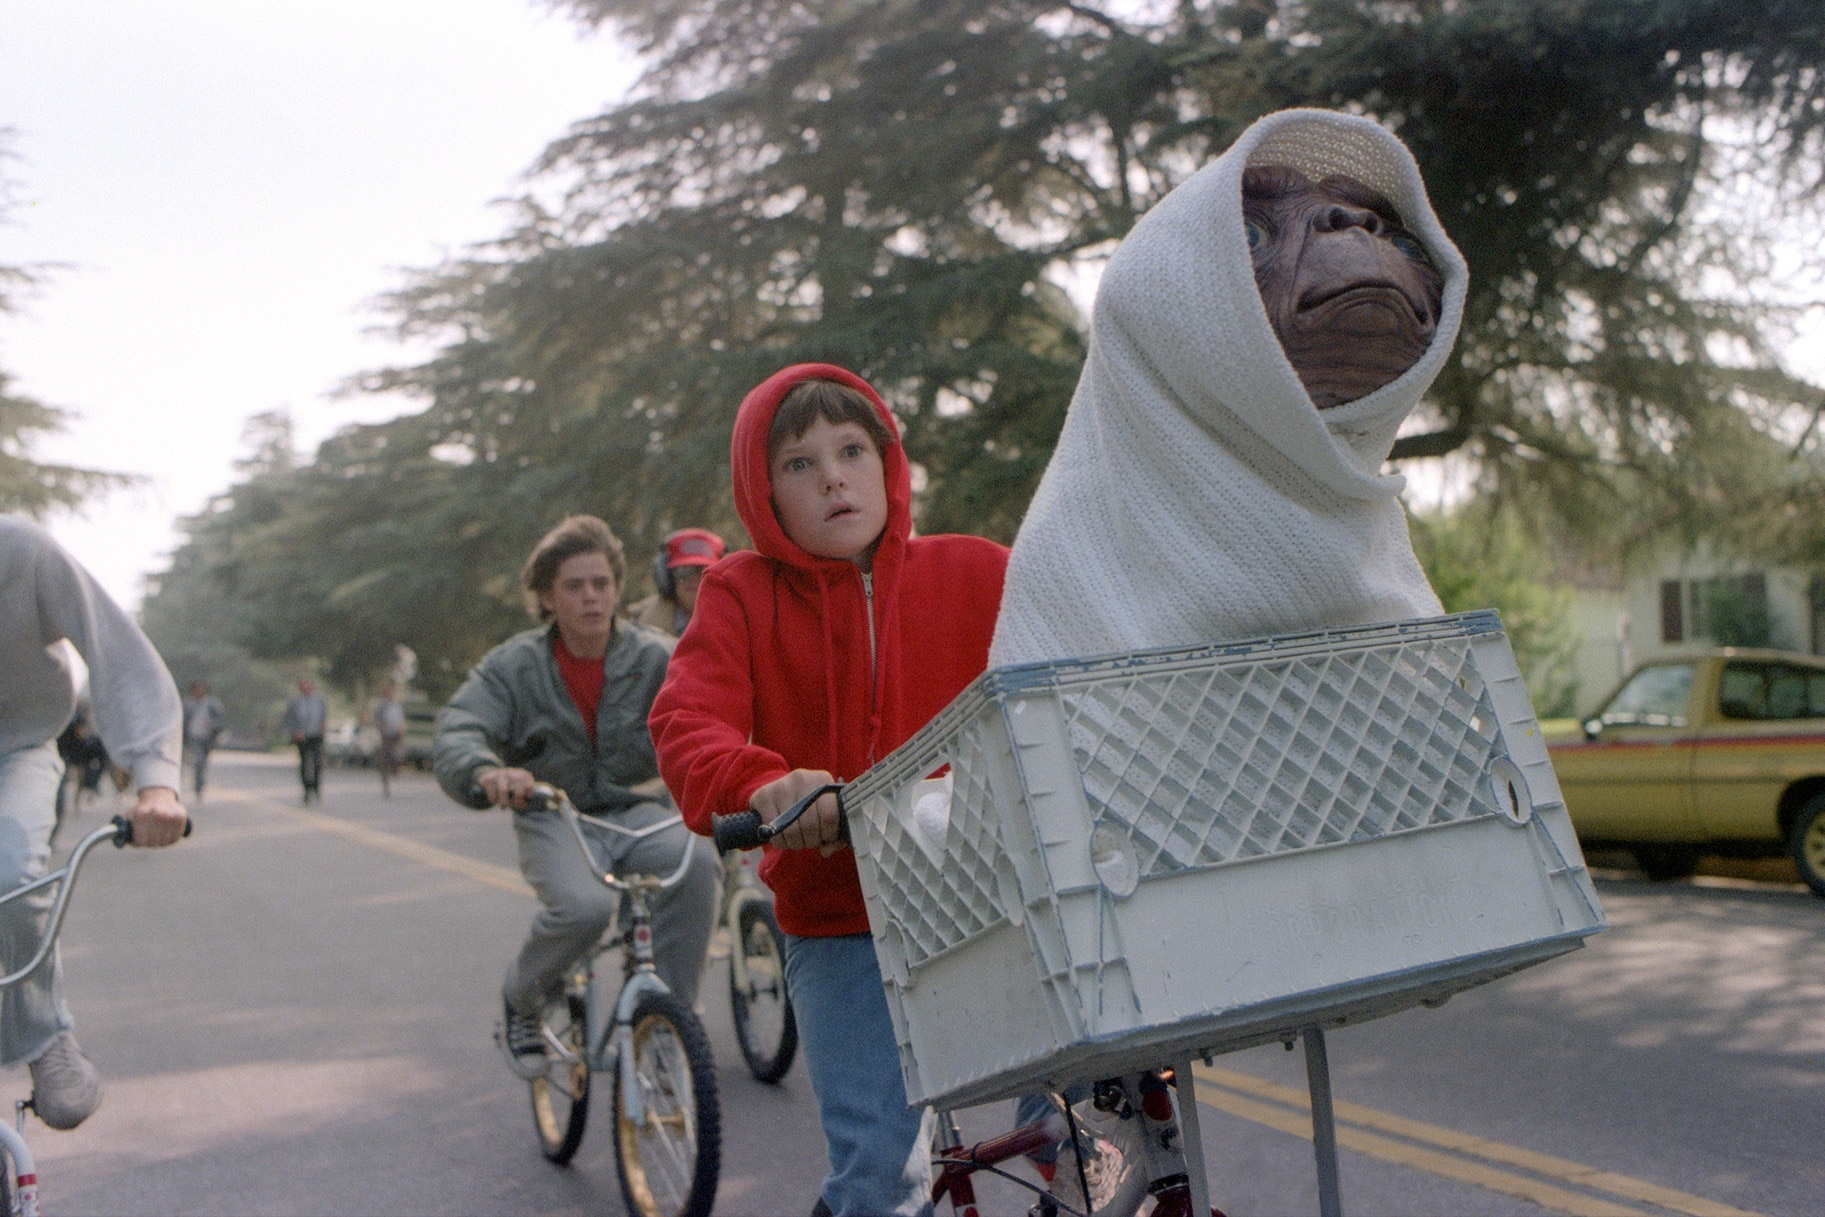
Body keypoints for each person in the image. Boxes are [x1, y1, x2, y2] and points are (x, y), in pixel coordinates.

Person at [649, 366, 1008, 1217]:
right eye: (799, 463)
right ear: (761, 489)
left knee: (1088, 1121)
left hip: (995, 900)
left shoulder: (978, 571)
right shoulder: (738, 591)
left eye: (851, 450)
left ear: (888, 463)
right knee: (884, 1169)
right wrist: (764, 784)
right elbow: (686, 721)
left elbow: (1070, 669)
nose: (834, 477)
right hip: (840, 914)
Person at [434, 515, 720, 1067]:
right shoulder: (513, 666)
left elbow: (712, 715)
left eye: (601, 584)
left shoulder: (657, 657)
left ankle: (668, 1026)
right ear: (545, 597)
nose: (591, 597)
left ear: (617, 587)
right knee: (585, 907)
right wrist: (486, 771)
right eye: (573, 586)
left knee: (696, 867)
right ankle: (523, 997)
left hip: (636, 810)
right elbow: (459, 728)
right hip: (554, 813)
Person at [0, 515, 189, 1130]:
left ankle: (42, 1035)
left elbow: (119, 655)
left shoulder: (22, 550)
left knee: (6, 871)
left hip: (15, 749)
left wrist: (156, 784)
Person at [627, 528, 726, 637]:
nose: (694, 579)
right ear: (666, 576)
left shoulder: (738, 619)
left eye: (703, 571)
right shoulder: (639, 622)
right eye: (684, 571)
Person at [280, 678, 327, 803]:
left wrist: (323, 726)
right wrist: (295, 731)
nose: (306, 689)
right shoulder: (295, 703)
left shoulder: (319, 701)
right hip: (302, 736)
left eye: (308, 686)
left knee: (318, 762)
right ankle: (306, 789)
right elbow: (288, 720)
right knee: (305, 763)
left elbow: (323, 716)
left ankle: (316, 786)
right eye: (303, 687)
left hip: (316, 735)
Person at [181, 680, 227, 803]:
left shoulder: (212, 705)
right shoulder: (188, 704)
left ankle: (200, 784)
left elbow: (221, 721)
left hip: (206, 738)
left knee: (202, 763)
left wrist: (211, 725)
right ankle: (197, 787)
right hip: (192, 738)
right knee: (198, 761)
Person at [371, 681, 406, 799]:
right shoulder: (380, 706)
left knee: (397, 756)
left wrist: (401, 727)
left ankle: (395, 768)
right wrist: (382, 726)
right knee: (384, 760)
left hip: (396, 735)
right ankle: (385, 786)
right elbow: (376, 721)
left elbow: (401, 719)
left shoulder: (397, 706)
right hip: (385, 736)